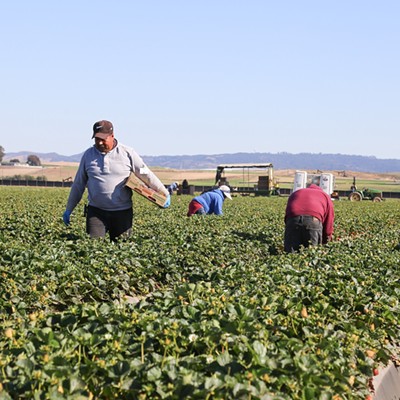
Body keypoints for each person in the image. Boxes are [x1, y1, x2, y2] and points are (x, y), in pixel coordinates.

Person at [62, 120, 170, 241]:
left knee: (121, 249)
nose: (100, 142)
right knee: (93, 248)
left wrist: (164, 193)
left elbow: (146, 174)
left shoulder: (127, 153)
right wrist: (69, 209)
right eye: (97, 139)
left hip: (122, 212)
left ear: (112, 136)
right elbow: (78, 184)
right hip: (96, 212)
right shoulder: (88, 155)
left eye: (103, 139)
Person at [284, 184, 334, 253]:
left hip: (293, 219)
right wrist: (326, 240)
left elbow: (287, 215)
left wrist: (291, 228)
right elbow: (328, 221)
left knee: (291, 253)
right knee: (312, 253)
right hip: (313, 220)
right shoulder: (324, 195)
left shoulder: (296, 192)